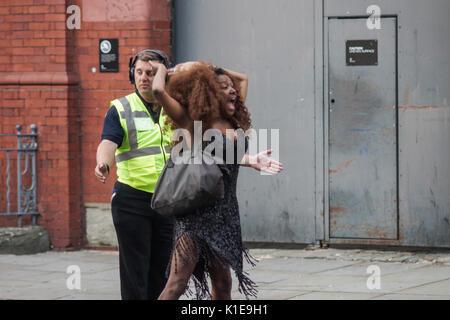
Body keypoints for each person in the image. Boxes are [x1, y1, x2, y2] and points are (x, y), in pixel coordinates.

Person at [150, 60, 283, 300]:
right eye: (223, 87)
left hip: (225, 214)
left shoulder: (234, 121)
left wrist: (208, 68)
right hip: (196, 216)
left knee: (223, 284)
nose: (232, 90)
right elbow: (159, 91)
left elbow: (243, 78)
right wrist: (163, 69)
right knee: (177, 283)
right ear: (208, 91)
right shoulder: (192, 122)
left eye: (231, 87)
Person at [94, 49, 174, 300]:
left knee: (163, 270)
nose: (144, 78)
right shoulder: (121, 108)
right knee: (134, 270)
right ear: (132, 74)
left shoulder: (174, 107)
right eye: (139, 72)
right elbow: (107, 142)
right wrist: (103, 164)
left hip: (167, 200)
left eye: (151, 73)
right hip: (132, 200)